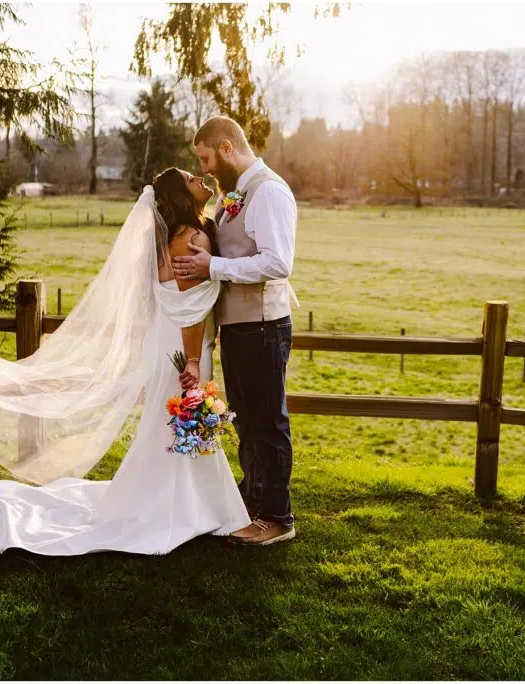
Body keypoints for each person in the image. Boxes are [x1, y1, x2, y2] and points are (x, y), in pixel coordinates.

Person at [0, 167, 252, 555]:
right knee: (181, 418)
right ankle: (187, 508)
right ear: (180, 195)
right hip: (183, 349)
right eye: (191, 178)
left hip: (167, 345)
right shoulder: (192, 238)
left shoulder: (170, 238)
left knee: (168, 423)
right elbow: (189, 308)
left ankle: (182, 501)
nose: (200, 179)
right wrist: (193, 360)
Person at [172, 116, 298, 547]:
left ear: (227, 148)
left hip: (263, 325)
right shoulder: (236, 194)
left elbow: (277, 263)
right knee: (247, 421)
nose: (205, 169)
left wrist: (213, 266)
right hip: (241, 327)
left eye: (206, 158)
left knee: (267, 422)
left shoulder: (268, 192)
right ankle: (253, 502)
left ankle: (277, 518)